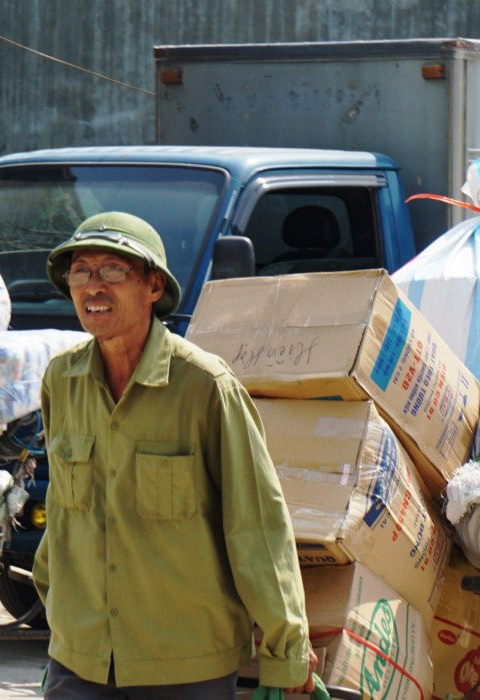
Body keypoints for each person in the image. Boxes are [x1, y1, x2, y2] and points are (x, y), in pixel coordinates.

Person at [33, 211, 317, 698]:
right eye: (81, 272)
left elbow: (256, 527)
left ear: (153, 287)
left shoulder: (206, 387)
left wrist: (285, 648)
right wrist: (60, 613)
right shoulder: (62, 381)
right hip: (80, 657)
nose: (93, 287)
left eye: (112, 271)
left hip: (185, 664)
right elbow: (62, 517)